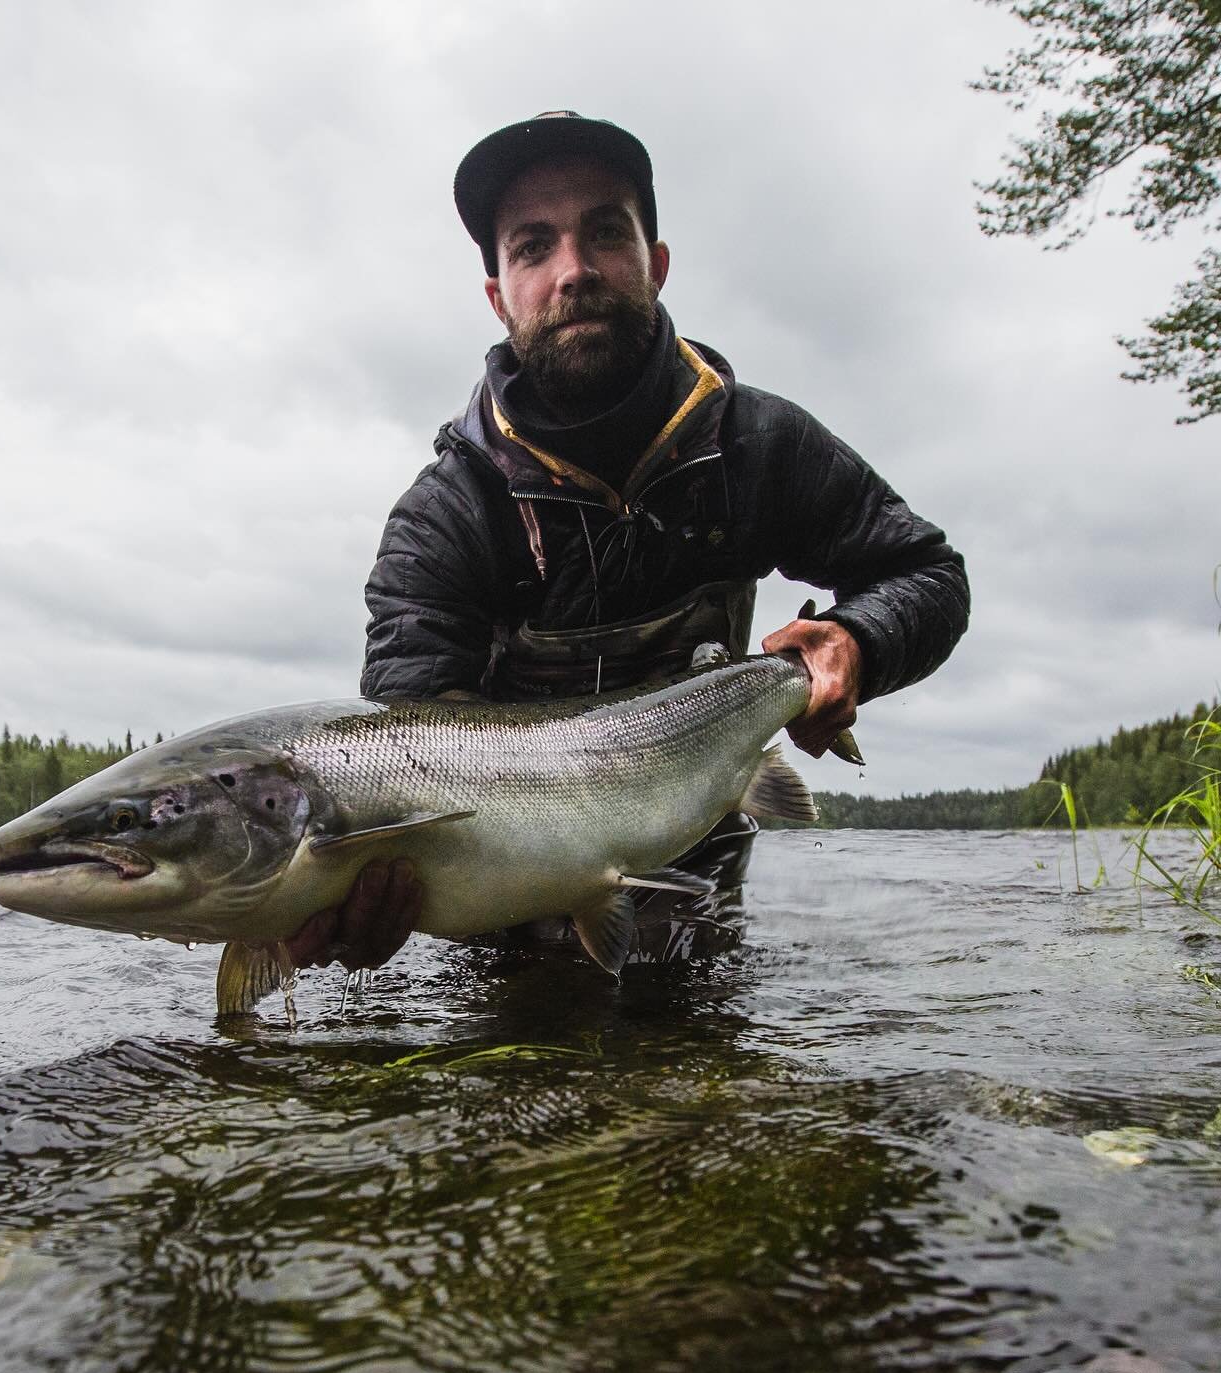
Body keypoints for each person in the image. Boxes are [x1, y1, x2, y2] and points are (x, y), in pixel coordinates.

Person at [289, 112, 969, 972]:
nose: (572, 272)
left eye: (604, 232)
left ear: (656, 262)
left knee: (698, 1065)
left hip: (696, 894)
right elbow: (403, 745)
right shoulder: (445, 519)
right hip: (504, 923)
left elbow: (931, 574)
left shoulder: (759, 446)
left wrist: (857, 640)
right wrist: (359, 894)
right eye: (533, 247)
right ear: (499, 297)